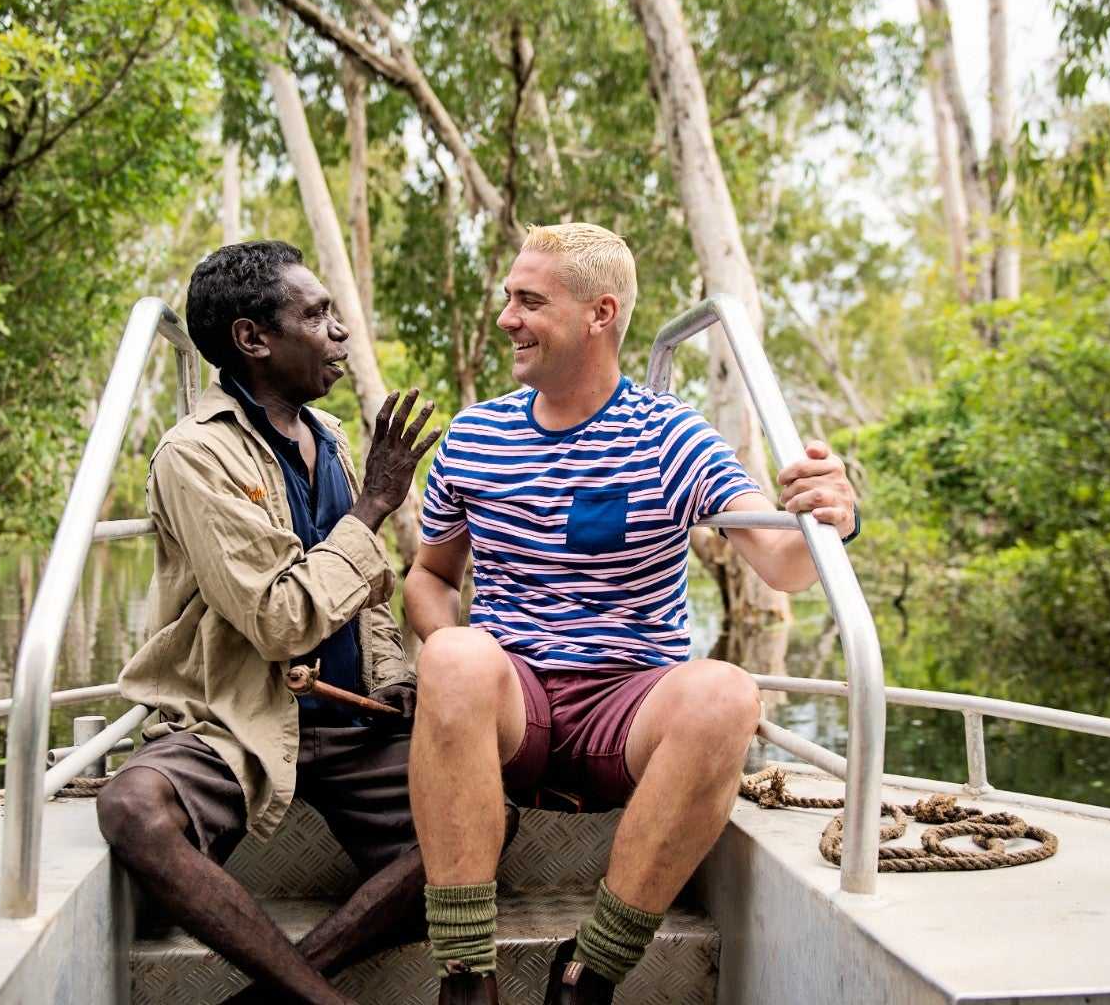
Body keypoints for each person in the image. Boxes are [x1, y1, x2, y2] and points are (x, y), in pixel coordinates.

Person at [404, 223, 859, 1005]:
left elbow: (783, 562)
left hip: (632, 705)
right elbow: (430, 577)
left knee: (726, 693)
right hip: (518, 701)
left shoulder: (671, 435)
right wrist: (457, 670)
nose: (507, 317)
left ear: (599, 313)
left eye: (529, 300)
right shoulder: (475, 437)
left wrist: (835, 512)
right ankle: (465, 974)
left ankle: (592, 970)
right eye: (509, 298)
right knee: (451, 657)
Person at [96, 240, 441, 1005]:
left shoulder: (333, 441)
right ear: (254, 339)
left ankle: (279, 990)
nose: (339, 334)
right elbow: (281, 622)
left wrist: (393, 678)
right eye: (316, 316)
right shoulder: (194, 456)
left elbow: (371, 598)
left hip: (355, 727)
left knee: (489, 819)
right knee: (130, 808)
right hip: (240, 722)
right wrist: (374, 506)